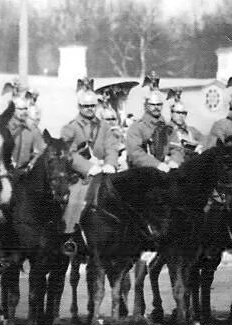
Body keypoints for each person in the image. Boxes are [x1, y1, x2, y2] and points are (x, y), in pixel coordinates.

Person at [61, 83, 121, 241]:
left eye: (92, 106)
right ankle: (71, 236)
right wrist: (88, 167)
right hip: (80, 175)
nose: (89, 109)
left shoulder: (105, 126)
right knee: (75, 198)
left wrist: (110, 163)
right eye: (85, 106)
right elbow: (69, 153)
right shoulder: (70, 128)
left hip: (103, 172)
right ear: (79, 106)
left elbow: (112, 147)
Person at [125, 89, 174, 171]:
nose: (156, 107)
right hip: (142, 172)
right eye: (152, 105)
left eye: (159, 104)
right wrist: (156, 164)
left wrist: (174, 160)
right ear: (147, 106)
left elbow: (176, 147)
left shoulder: (167, 126)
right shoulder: (136, 127)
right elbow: (135, 153)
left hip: (164, 168)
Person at [7, 96, 46, 175]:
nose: (24, 111)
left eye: (26, 109)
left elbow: (42, 149)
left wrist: (32, 163)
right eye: (20, 109)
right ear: (13, 110)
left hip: (25, 174)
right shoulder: (5, 127)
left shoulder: (32, 129)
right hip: (6, 173)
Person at [165, 98, 203, 166]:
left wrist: (200, 146)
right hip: (173, 163)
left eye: (184, 113)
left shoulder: (191, 130)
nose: (181, 116)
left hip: (191, 164)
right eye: (178, 113)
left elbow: (205, 140)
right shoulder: (165, 130)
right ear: (172, 113)